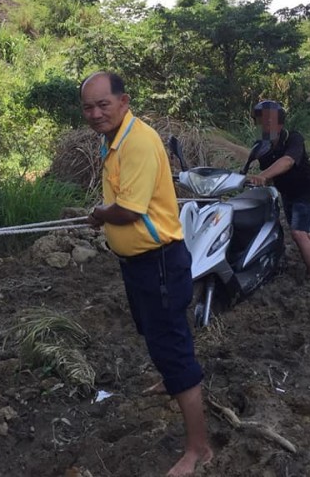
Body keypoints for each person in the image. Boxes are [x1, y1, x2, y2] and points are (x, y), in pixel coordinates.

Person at [80, 71, 212, 477]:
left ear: (124, 101)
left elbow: (130, 210)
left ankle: (199, 450)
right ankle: (170, 379)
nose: (96, 113)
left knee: (172, 346)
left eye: (104, 104)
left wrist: (101, 215)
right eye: (89, 107)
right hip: (139, 265)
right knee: (157, 333)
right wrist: (104, 215)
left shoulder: (136, 141)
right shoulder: (114, 138)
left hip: (157, 263)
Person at [247, 100, 310, 279]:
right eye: (260, 122)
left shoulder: (293, 138)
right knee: (302, 230)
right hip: (288, 192)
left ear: (279, 123)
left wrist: (263, 176)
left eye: (268, 122)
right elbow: (257, 166)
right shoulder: (263, 147)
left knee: (298, 233)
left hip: (306, 190)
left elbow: (287, 161)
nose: (264, 126)